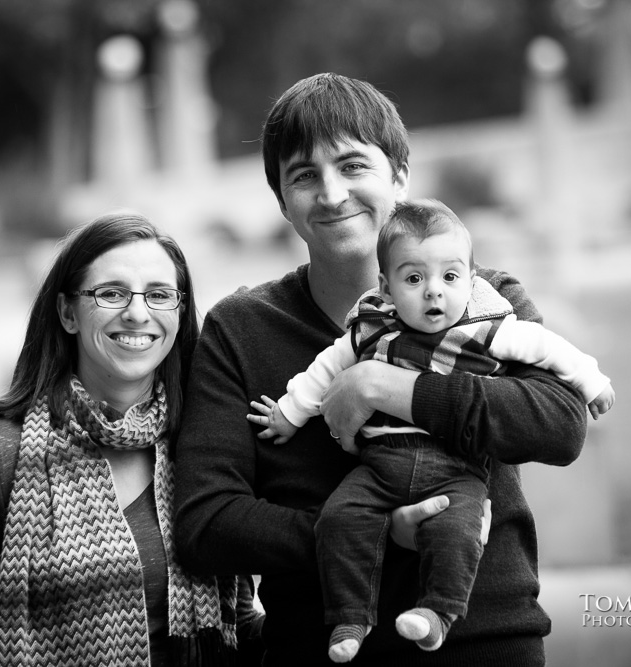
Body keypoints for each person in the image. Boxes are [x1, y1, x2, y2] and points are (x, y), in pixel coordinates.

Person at [173, 72, 589, 666]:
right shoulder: (241, 330)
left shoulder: (486, 299)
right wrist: (372, 531)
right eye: (304, 176)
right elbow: (206, 523)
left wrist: (390, 387)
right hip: (318, 651)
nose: (333, 193)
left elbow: (561, 426)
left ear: (400, 177)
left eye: (353, 166)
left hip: (486, 641)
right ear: (281, 201)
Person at [246, 198, 615, 662]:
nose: (433, 292)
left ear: (472, 280)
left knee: (460, 530)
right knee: (340, 519)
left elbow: (547, 349)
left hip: (455, 471)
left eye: (450, 277)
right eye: (414, 279)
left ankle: (438, 612)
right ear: (386, 285)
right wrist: (290, 412)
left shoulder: (487, 329)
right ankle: (349, 619)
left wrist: (592, 381)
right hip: (380, 469)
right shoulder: (371, 329)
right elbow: (324, 370)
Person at [0, 212, 261, 667]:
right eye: (111, 293)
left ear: (177, 314)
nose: (138, 313)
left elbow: (239, 621)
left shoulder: (203, 448)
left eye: (159, 295)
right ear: (67, 312)